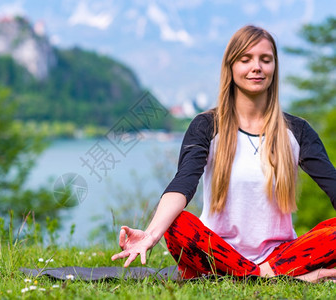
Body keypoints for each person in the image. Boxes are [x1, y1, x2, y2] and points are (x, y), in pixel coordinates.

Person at [111, 25, 336, 283]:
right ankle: (285, 277)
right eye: (246, 59)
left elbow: (332, 184)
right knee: (176, 224)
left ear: (274, 67)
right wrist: (151, 235)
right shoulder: (206, 125)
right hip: (218, 252)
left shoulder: (297, 131)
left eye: (266, 59)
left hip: (281, 254)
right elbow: (183, 184)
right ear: (230, 66)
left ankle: (251, 275)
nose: (257, 67)